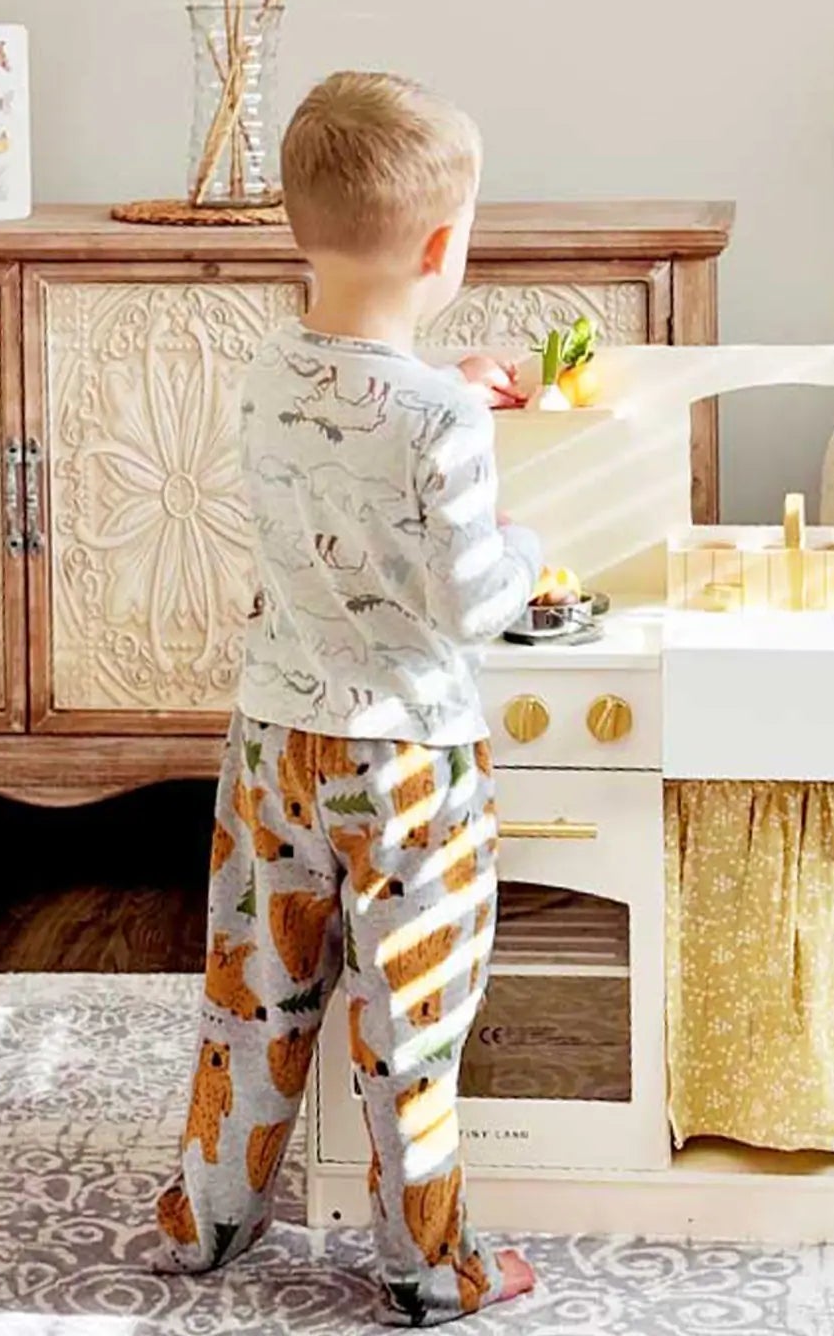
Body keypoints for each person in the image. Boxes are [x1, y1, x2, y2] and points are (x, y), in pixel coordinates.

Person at [150, 71, 542, 1324]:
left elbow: (352, 428)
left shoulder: (267, 371)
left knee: (252, 992)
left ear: (295, 228)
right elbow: (475, 597)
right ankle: (429, 1264)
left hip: (273, 743)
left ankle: (207, 1219)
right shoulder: (439, 421)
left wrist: (449, 387)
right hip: (408, 763)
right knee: (410, 1014)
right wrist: (533, 550)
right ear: (443, 247)